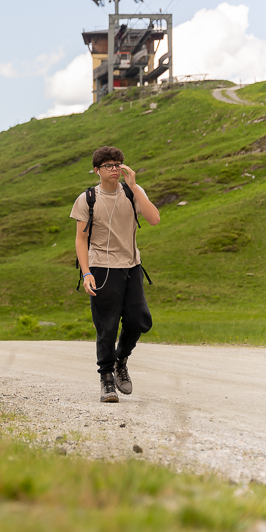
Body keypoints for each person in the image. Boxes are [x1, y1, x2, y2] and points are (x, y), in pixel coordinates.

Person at [71, 146, 160, 403]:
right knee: (106, 327)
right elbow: (81, 239)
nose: (115, 169)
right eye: (109, 165)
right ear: (97, 170)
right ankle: (107, 379)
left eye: (118, 164)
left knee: (140, 319)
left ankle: (122, 360)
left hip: (131, 266)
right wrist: (86, 273)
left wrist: (135, 187)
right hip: (101, 268)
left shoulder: (133, 192)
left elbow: (154, 219)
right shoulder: (87, 199)